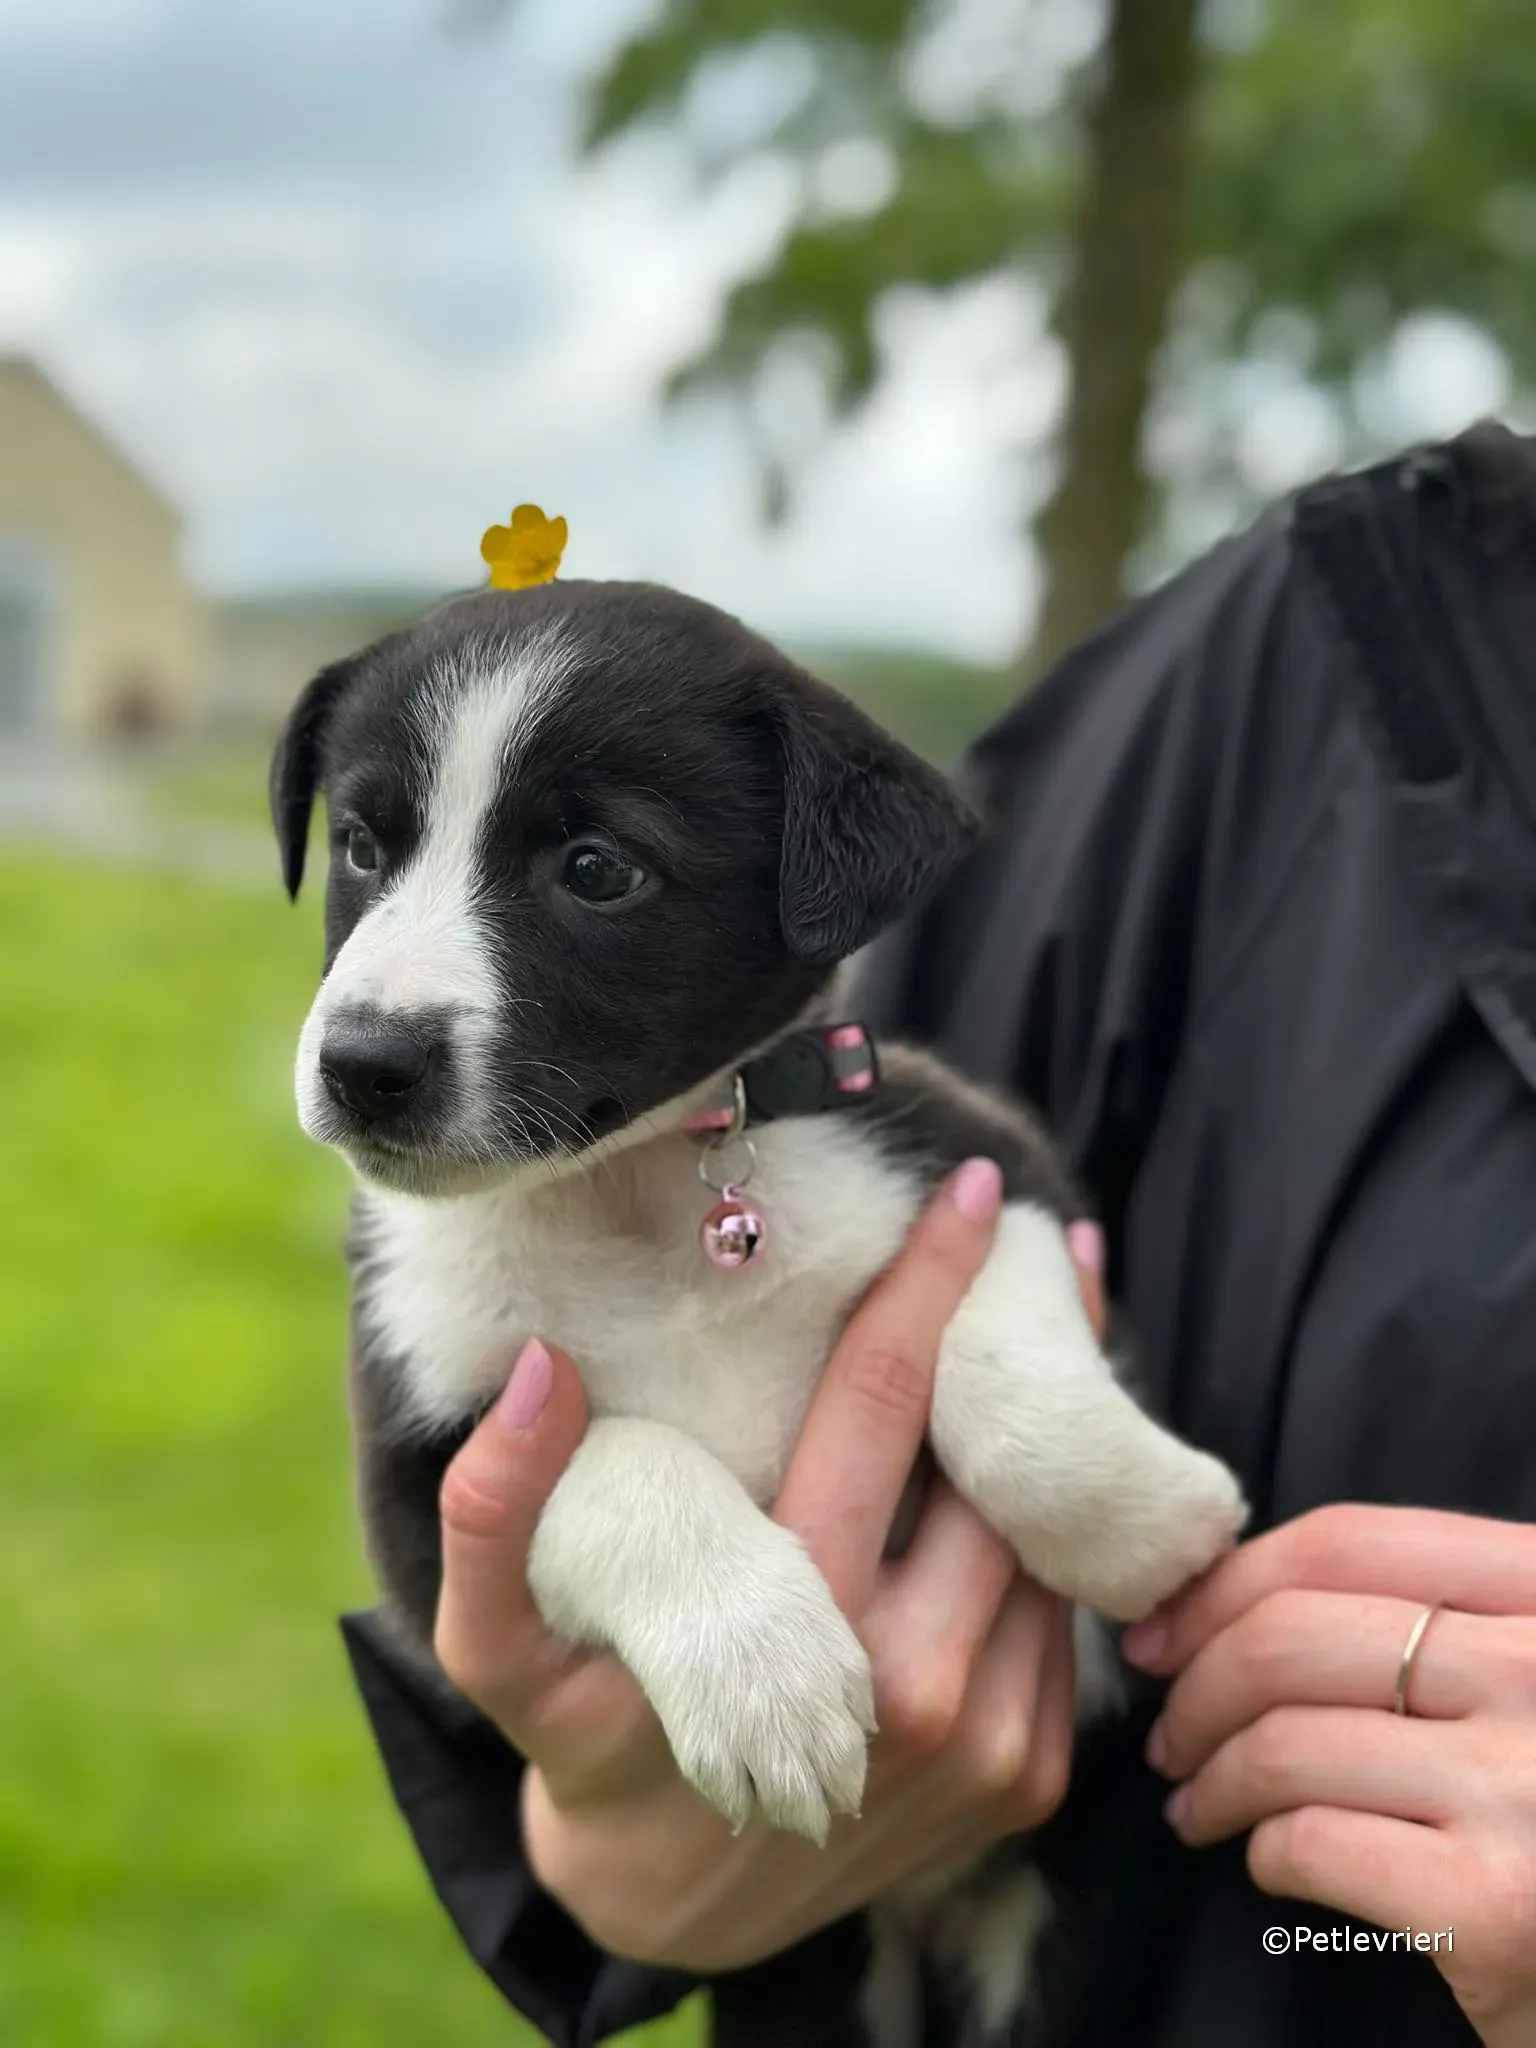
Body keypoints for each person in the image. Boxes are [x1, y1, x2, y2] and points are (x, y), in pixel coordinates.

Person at [341, 422, 1536, 2047]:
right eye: (366, 842)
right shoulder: (1267, 676)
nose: (380, 996)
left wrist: (1045, 1436)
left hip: (1182, 1915)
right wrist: (603, 1838)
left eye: (596, 868)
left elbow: (1001, 1216)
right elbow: (454, 1530)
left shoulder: (861, 1121)